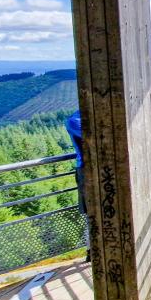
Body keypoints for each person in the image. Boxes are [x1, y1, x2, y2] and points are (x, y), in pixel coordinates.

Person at [64, 110, 90, 262]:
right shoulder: (75, 120)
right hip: (86, 170)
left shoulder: (78, 118)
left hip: (92, 170)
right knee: (91, 212)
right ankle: (92, 250)